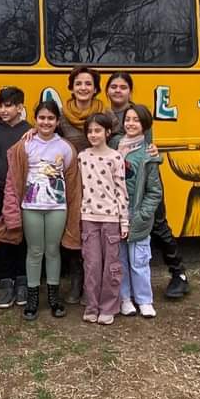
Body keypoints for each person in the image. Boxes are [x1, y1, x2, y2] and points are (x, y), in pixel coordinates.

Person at [105, 71, 190, 300]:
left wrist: (154, 153)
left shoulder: (139, 113)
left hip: (144, 177)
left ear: (130, 90)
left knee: (158, 224)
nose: (118, 90)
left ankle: (178, 274)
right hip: (119, 183)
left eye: (123, 86)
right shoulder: (104, 114)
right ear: (107, 90)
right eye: (113, 86)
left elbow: (147, 147)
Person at [0, 101, 82, 320]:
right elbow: (13, 178)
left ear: (57, 121)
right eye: (42, 118)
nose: (46, 122)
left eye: (51, 118)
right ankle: (33, 297)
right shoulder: (24, 144)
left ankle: (54, 297)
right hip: (31, 207)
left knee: (53, 250)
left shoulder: (65, 147)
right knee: (35, 251)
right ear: (36, 120)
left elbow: (73, 184)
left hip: (57, 207)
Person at [56, 66, 108, 305]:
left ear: (96, 88)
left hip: (100, 180)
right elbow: (48, 135)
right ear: (72, 87)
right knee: (73, 230)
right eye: (79, 83)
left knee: (96, 231)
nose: (83, 88)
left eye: (88, 83)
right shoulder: (62, 115)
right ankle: (77, 281)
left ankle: (95, 281)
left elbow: (119, 138)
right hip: (73, 181)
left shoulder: (106, 113)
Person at [110, 104, 163, 319]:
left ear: (145, 126)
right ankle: (124, 299)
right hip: (114, 213)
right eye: (128, 119)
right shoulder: (114, 144)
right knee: (120, 260)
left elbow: (154, 192)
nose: (131, 124)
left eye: (136, 120)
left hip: (137, 215)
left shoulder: (148, 152)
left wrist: (142, 215)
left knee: (139, 260)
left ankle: (144, 300)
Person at [78, 113, 129, 325]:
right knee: (91, 265)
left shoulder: (116, 157)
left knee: (111, 266)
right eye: (90, 131)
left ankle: (108, 307)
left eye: (98, 130)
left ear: (108, 132)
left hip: (111, 219)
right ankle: (92, 306)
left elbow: (121, 190)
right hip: (88, 218)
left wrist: (124, 221)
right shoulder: (82, 157)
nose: (93, 134)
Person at [0, 86, 31, 309]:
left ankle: (23, 281)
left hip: (24, 191)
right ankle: (6, 282)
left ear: (20, 107)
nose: (4, 110)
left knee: (24, 236)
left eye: (9, 106)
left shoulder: (30, 131)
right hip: (0, 189)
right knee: (5, 235)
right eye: (1, 106)